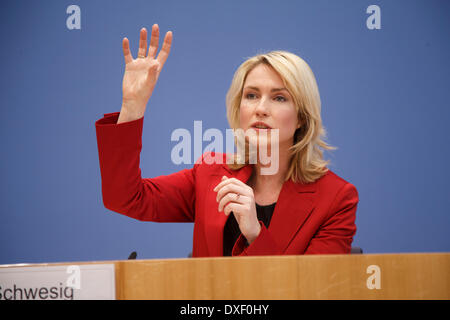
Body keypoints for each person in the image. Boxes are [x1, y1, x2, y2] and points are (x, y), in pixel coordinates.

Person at [95, 24, 358, 257]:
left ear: (302, 116)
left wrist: (256, 233)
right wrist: (133, 106)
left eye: (279, 98)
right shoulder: (210, 174)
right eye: (251, 95)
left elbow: (314, 289)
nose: (261, 108)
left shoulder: (336, 199)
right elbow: (125, 198)